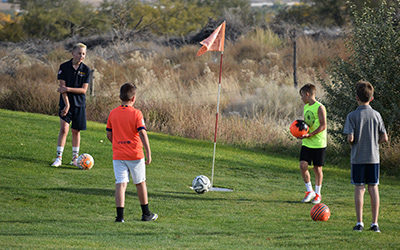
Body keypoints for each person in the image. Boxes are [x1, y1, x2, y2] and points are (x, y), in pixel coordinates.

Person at [106, 83, 158, 222]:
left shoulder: (113, 113)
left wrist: (117, 144)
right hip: (135, 155)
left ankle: (120, 217)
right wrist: (148, 152)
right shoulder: (136, 113)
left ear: (119, 97)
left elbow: (109, 134)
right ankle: (146, 214)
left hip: (118, 155)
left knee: (121, 184)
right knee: (140, 183)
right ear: (133, 98)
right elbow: (142, 132)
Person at [343, 80, 388, 232]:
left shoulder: (351, 116)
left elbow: (350, 138)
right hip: (373, 157)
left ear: (356, 98)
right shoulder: (377, 115)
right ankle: (375, 223)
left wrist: (352, 142)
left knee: (359, 188)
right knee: (373, 188)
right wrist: (375, 143)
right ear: (372, 98)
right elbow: (385, 137)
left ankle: (359, 222)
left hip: (358, 158)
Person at [51, 43, 91, 168]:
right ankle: (58, 158)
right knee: (64, 129)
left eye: (83, 54)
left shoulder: (86, 70)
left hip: (79, 104)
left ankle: (75, 159)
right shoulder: (64, 67)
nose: (81, 56)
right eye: (79, 53)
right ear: (73, 53)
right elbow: (62, 89)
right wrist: (67, 104)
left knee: (75, 131)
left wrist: (67, 88)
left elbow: (83, 90)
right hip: (65, 103)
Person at [298, 83, 327, 204]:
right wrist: (300, 131)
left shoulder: (320, 107)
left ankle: (318, 194)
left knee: (317, 169)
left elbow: (323, 125)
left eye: (302, 96)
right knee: (303, 165)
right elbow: (307, 125)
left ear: (307, 94)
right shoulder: (306, 107)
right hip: (307, 143)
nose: (301, 98)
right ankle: (309, 191)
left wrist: (311, 134)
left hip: (318, 143)